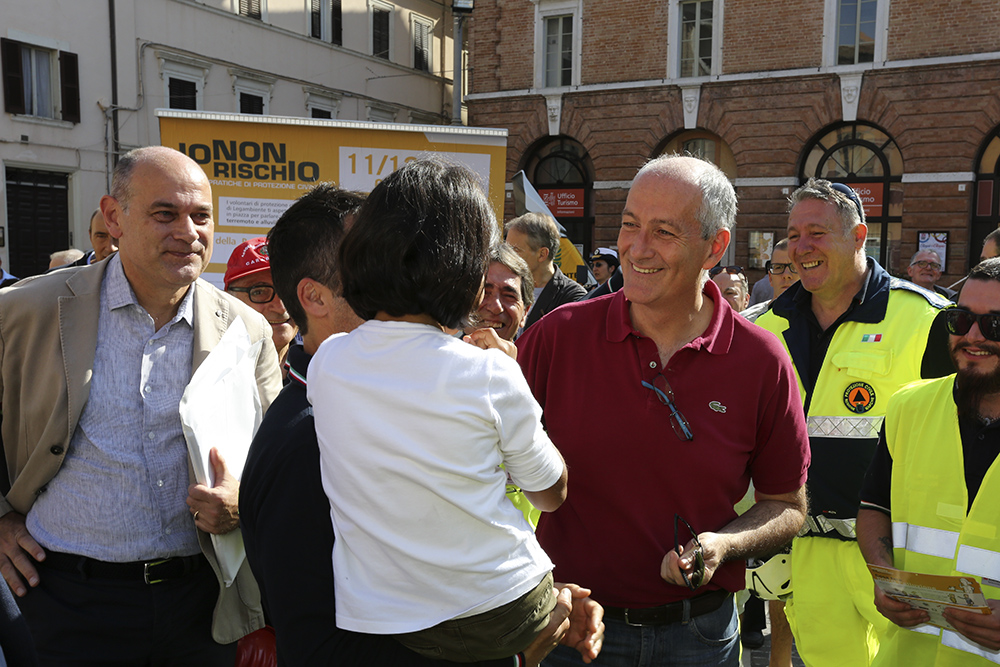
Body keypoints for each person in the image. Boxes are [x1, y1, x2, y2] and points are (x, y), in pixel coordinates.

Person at [241, 183, 603, 667]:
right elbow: (319, 647)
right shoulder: (307, 434)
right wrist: (516, 654)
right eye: (372, 261)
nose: (396, 274)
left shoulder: (343, 390)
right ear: (315, 296)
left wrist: (525, 599)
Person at [518, 154, 810, 667]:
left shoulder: (761, 360)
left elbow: (787, 503)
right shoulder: (558, 336)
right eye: (629, 225)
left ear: (714, 247)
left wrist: (722, 544)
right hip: (572, 634)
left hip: (700, 637)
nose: (636, 247)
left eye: (664, 232)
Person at [0, 146, 282, 665]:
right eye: (165, 214)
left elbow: (271, 461)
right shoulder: (26, 311)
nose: (189, 232)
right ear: (114, 217)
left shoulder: (247, 330)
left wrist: (239, 503)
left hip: (201, 603)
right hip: (65, 601)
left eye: (201, 216)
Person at [309, 159, 570, 663]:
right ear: (466, 270)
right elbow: (552, 493)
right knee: (564, 606)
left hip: (383, 616)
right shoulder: (490, 374)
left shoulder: (328, 363)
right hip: (502, 610)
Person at [756, 178, 954, 667]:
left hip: (898, 554)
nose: (801, 248)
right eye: (794, 235)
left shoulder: (929, 320)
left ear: (860, 236)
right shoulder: (762, 327)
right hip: (810, 549)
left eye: (817, 233)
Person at [856, 258, 1000, 666]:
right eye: (961, 319)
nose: (973, 336)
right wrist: (881, 576)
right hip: (909, 655)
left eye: (995, 326)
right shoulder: (910, 406)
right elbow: (873, 507)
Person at [224, 236, 298, 369]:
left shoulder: (324, 370)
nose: (281, 308)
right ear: (230, 298)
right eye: (259, 292)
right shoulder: (209, 371)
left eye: (289, 290)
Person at [505, 212, 587, 330]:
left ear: (542, 254)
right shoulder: (504, 287)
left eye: (515, 250)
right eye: (506, 249)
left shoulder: (573, 298)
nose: (507, 256)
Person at [742, 238, 798, 323]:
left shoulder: (821, 320)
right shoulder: (747, 321)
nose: (786, 275)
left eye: (794, 267)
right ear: (770, 278)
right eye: (778, 267)